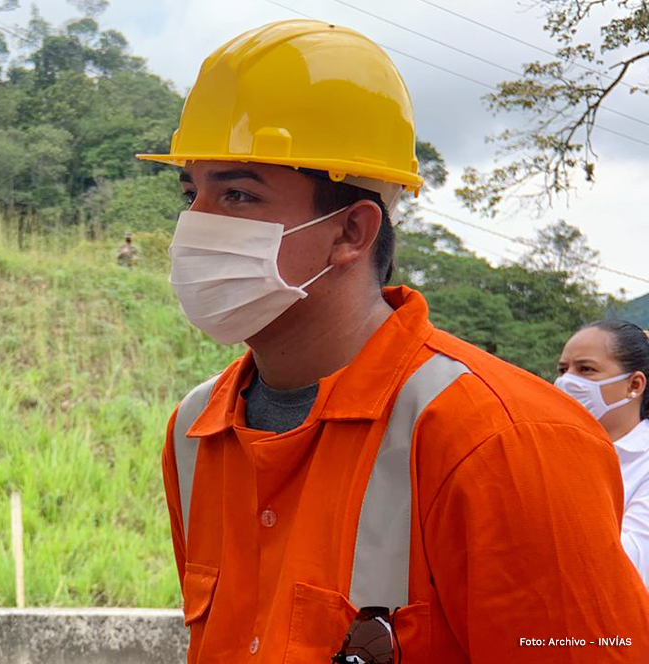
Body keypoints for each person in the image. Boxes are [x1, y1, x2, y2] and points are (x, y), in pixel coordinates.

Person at [137, 19, 649, 664]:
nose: (195, 226)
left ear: (351, 231)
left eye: (238, 194)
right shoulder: (197, 429)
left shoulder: (506, 439)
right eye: (191, 193)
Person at [557, 320, 649, 585]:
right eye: (563, 370)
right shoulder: (560, 447)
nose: (566, 382)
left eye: (586, 369)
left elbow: (629, 567)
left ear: (633, 385)